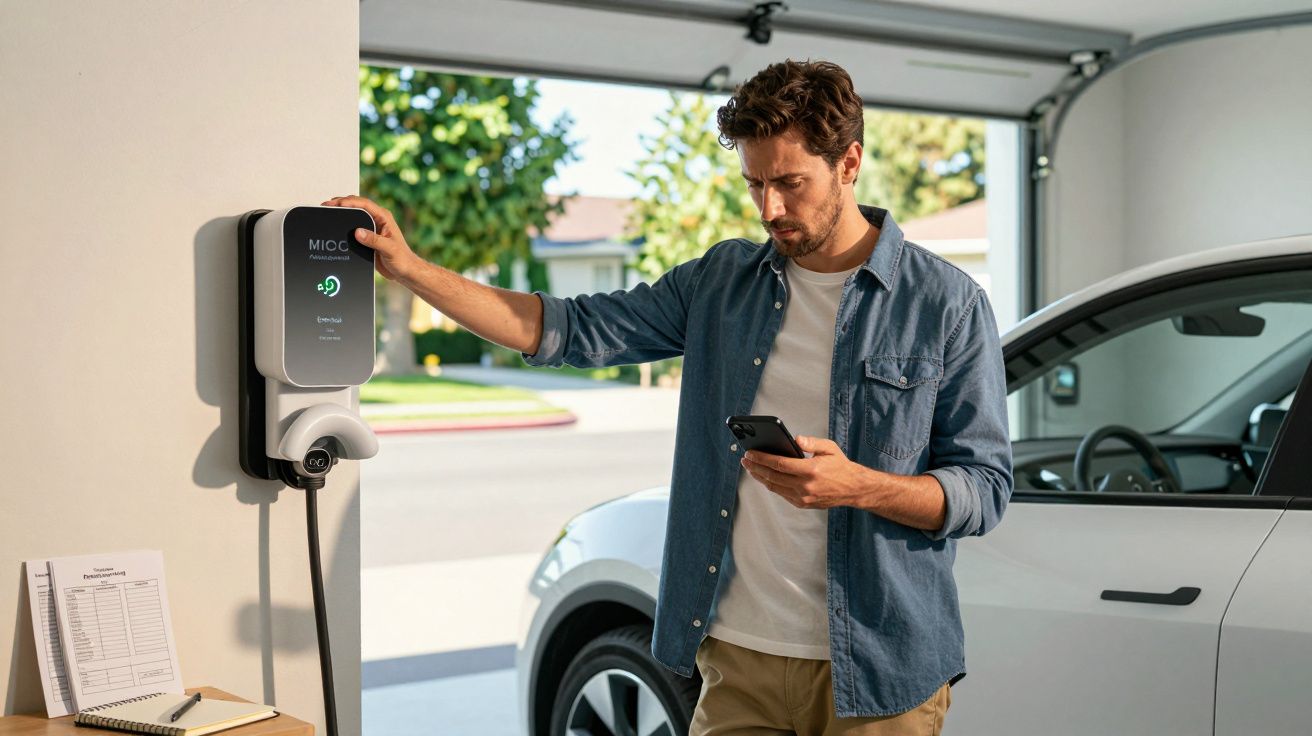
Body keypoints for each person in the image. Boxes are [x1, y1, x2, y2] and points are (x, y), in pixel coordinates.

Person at [324, 58, 1012, 736]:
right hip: (739, 659)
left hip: (881, 672)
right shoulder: (721, 283)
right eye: (755, 183)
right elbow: (564, 328)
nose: (769, 208)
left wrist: (857, 486)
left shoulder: (946, 305)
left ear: (850, 162)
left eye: (790, 183)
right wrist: (411, 271)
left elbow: (983, 489)